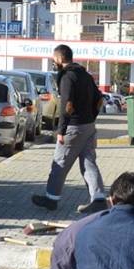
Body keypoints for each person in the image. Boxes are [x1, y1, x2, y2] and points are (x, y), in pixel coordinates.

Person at [31, 43, 109, 214]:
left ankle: (51, 198)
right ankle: (98, 198)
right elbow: (99, 99)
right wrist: (91, 117)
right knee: (88, 162)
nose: (54, 62)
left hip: (73, 128)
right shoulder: (85, 75)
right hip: (88, 127)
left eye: (54, 59)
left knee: (60, 162)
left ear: (59, 58)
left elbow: (66, 105)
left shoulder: (67, 76)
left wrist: (61, 130)